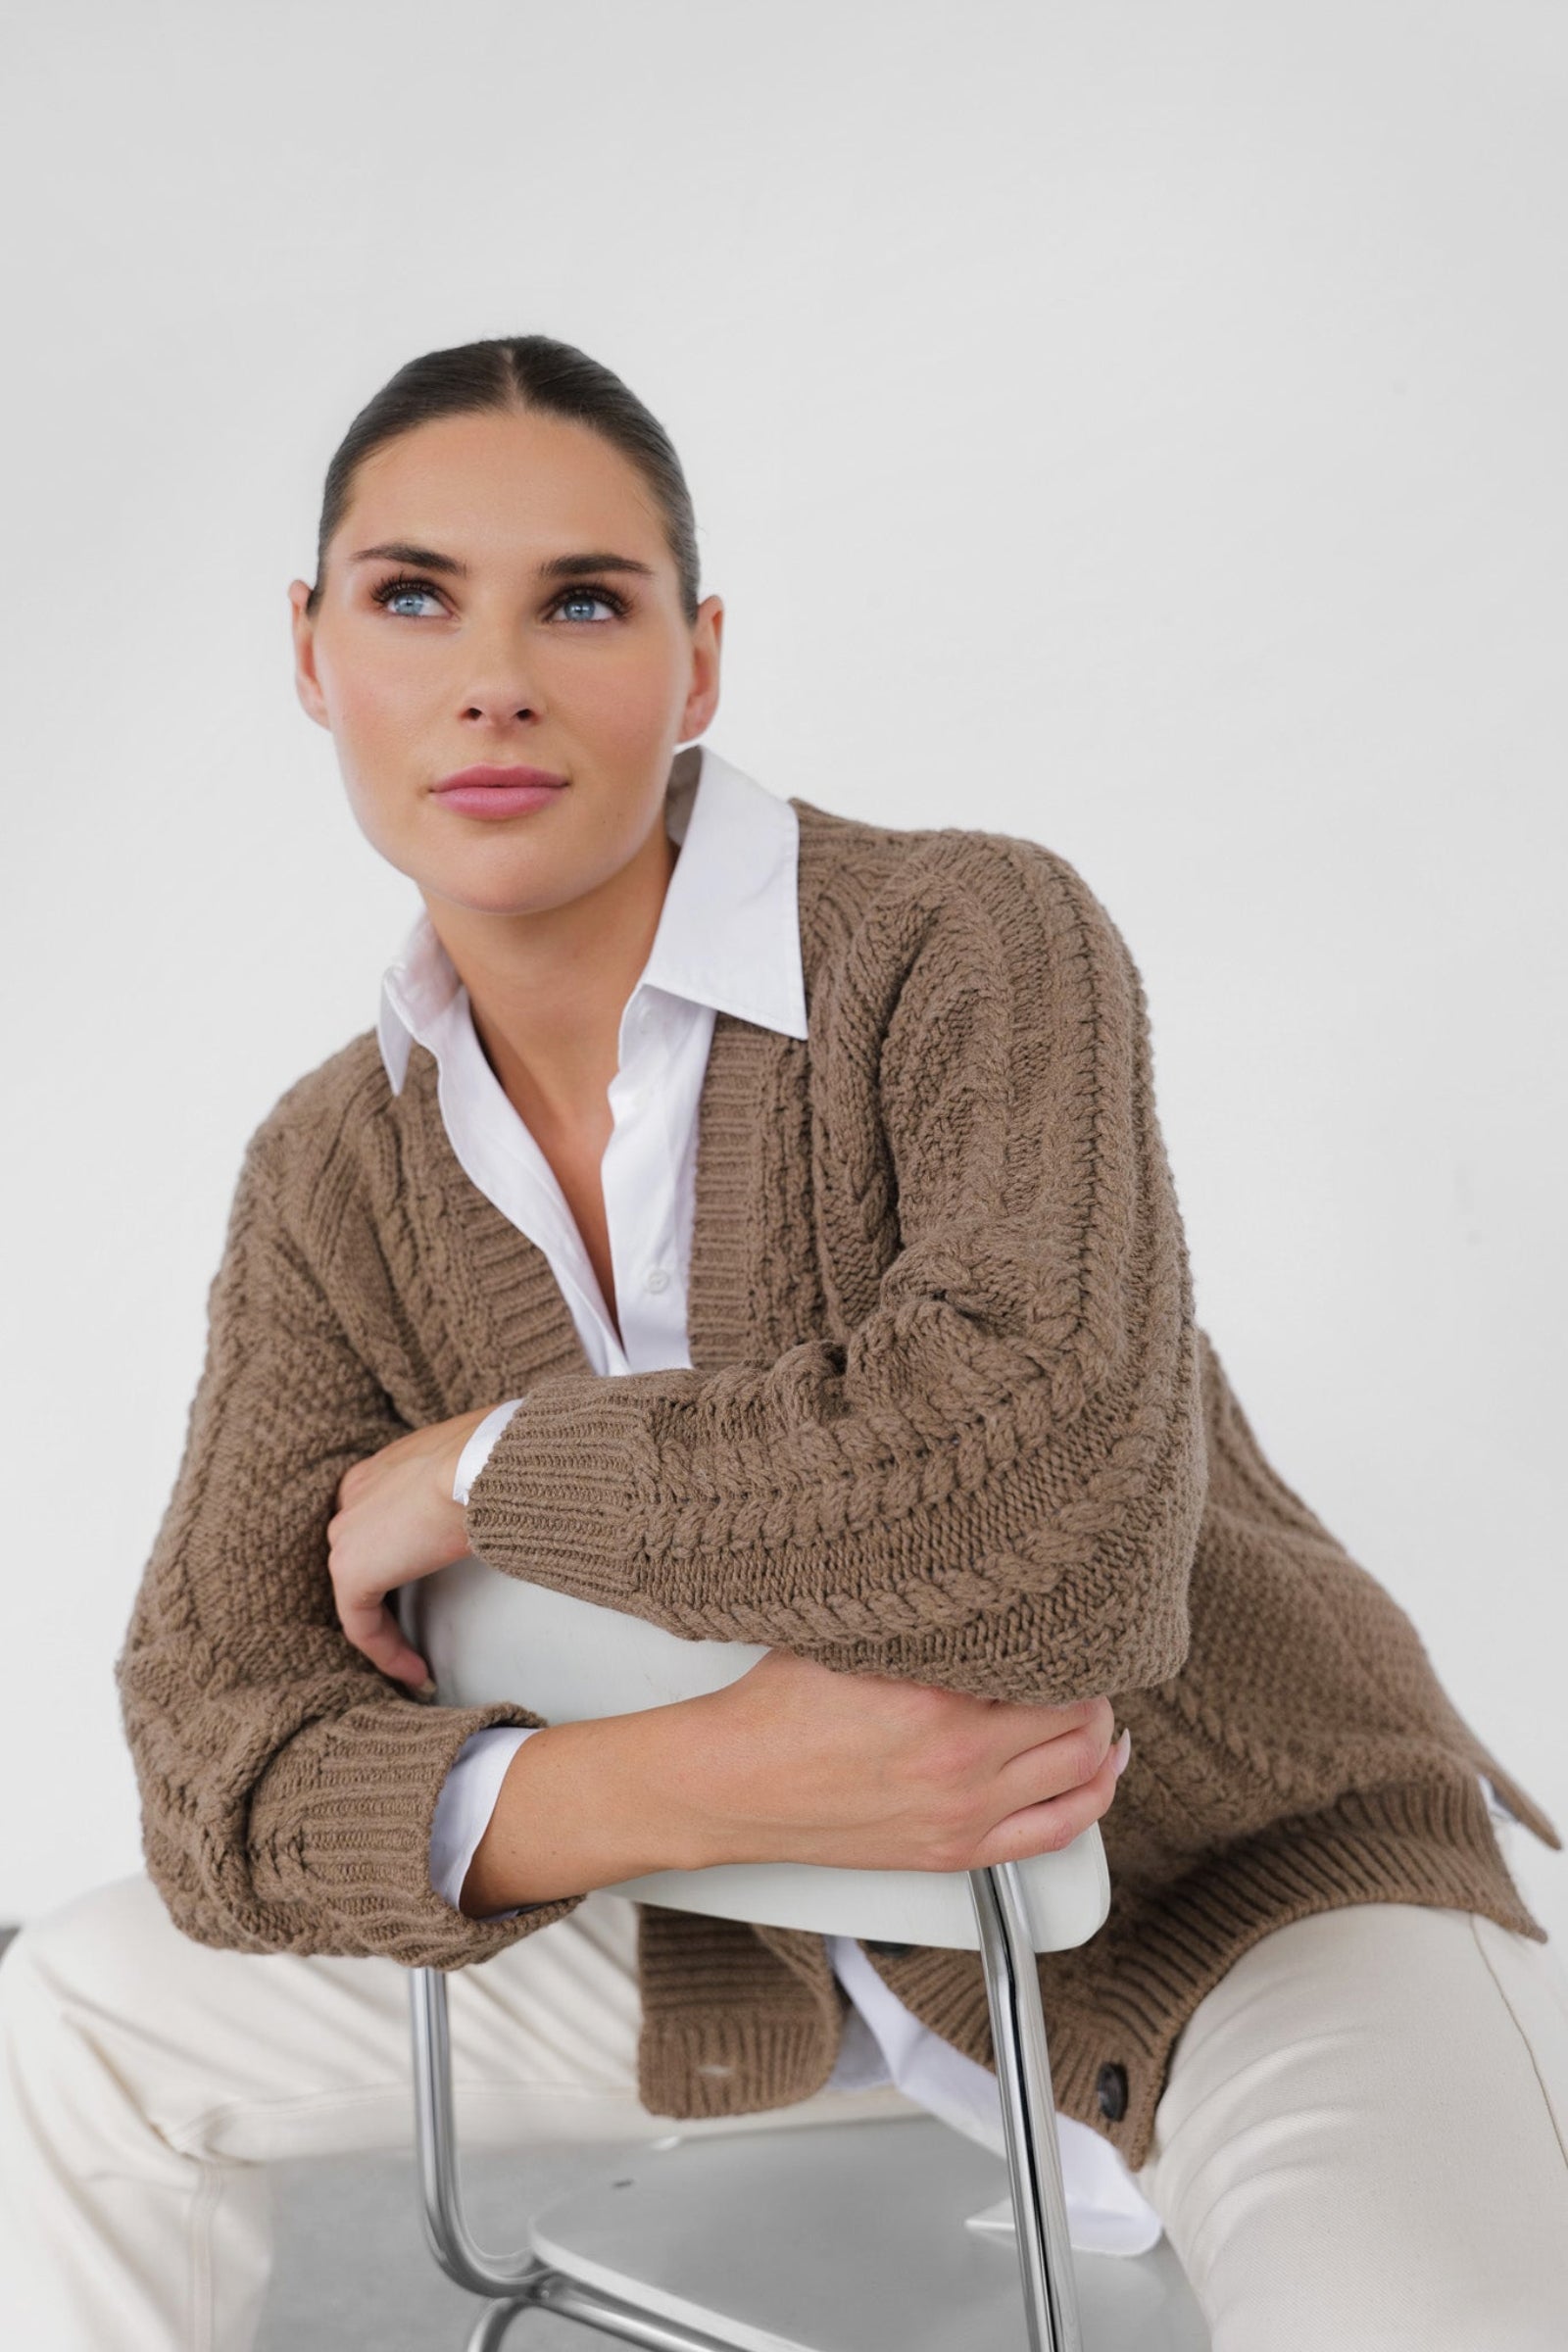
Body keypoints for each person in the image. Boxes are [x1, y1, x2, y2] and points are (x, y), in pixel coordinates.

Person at [1, 333, 1564, 2352]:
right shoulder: (329, 1167)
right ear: (311, 653)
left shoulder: (965, 940)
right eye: (412, 598)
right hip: (731, 1936)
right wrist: (688, 1786)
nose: (493, 680)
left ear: (699, 664)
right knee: (68, 2020)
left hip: (1229, 1887)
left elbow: (1050, 1504)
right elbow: (216, 1758)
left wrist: (484, 1472)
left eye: (583, 601)